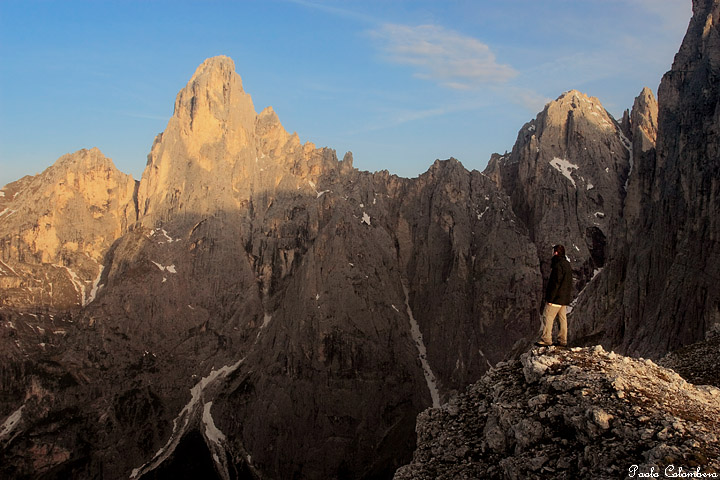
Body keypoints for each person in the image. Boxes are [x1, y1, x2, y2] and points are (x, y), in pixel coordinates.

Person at [536, 244, 573, 347]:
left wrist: (550, 299)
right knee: (562, 319)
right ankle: (563, 340)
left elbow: (555, 283)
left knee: (548, 316)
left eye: (553, 252)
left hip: (556, 298)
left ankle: (546, 339)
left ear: (556, 253)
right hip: (564, 298)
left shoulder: (557, 265)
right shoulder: (567, 264)